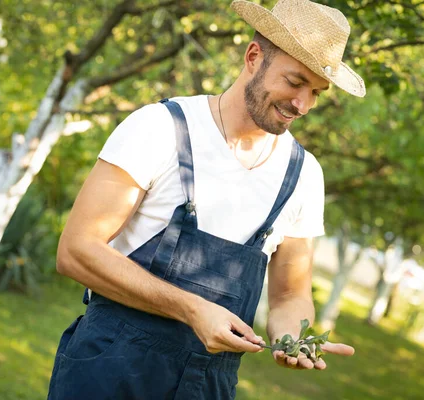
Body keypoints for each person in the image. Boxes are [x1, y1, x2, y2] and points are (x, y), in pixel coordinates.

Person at [47, 0, 366, 398]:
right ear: (253, 57)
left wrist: (291, 337)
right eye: (295, 81)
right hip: (110, 369)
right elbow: (76, 250)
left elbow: (290, 294)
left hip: (208, 386)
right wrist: (191, 309)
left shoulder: (304, 175)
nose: (302, 105)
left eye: (317, 92)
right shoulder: (161, 129)